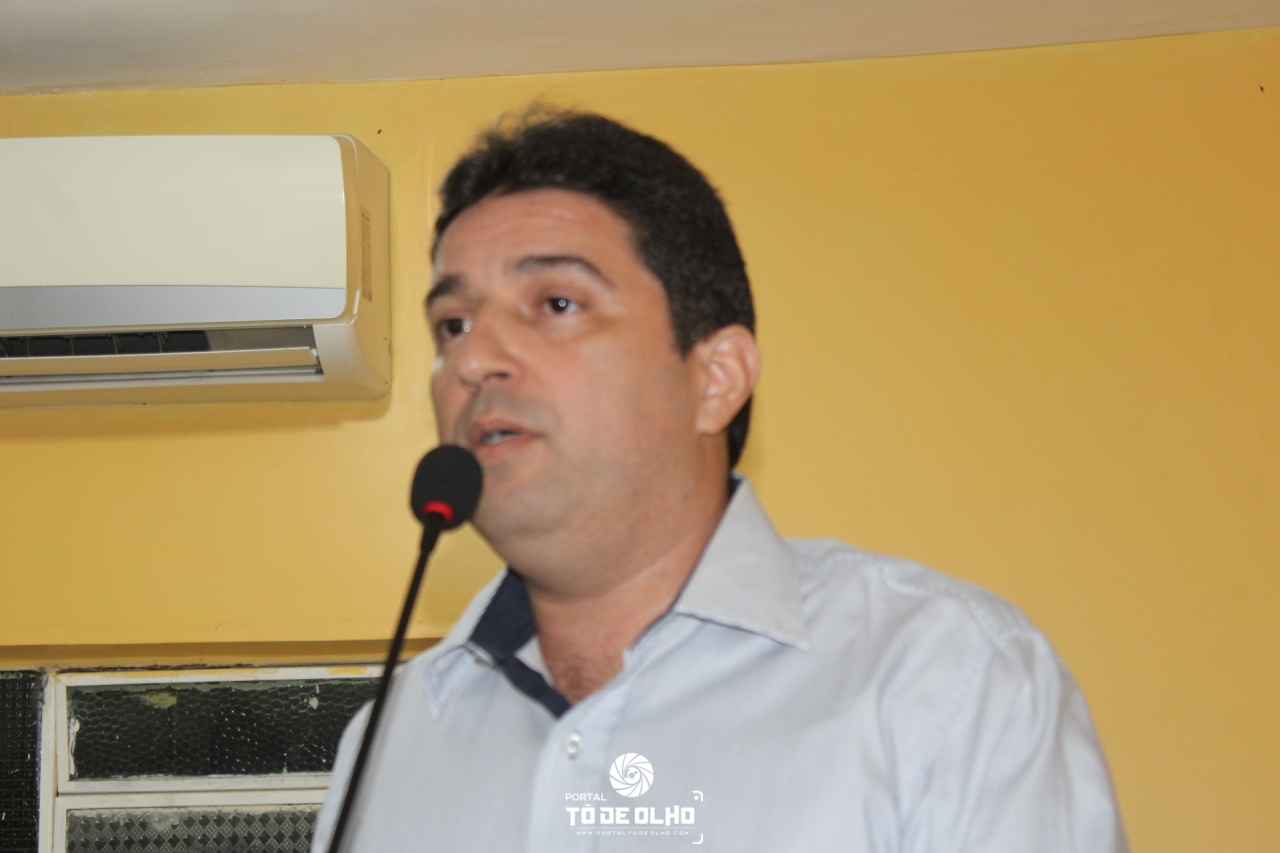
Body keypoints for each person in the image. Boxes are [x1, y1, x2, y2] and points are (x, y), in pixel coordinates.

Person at [311, 109, 1127, 852]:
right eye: (453, 324)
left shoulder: (947, 679)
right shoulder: (388, 743)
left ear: (715, 377)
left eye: (556, 303)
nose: (475, 359)